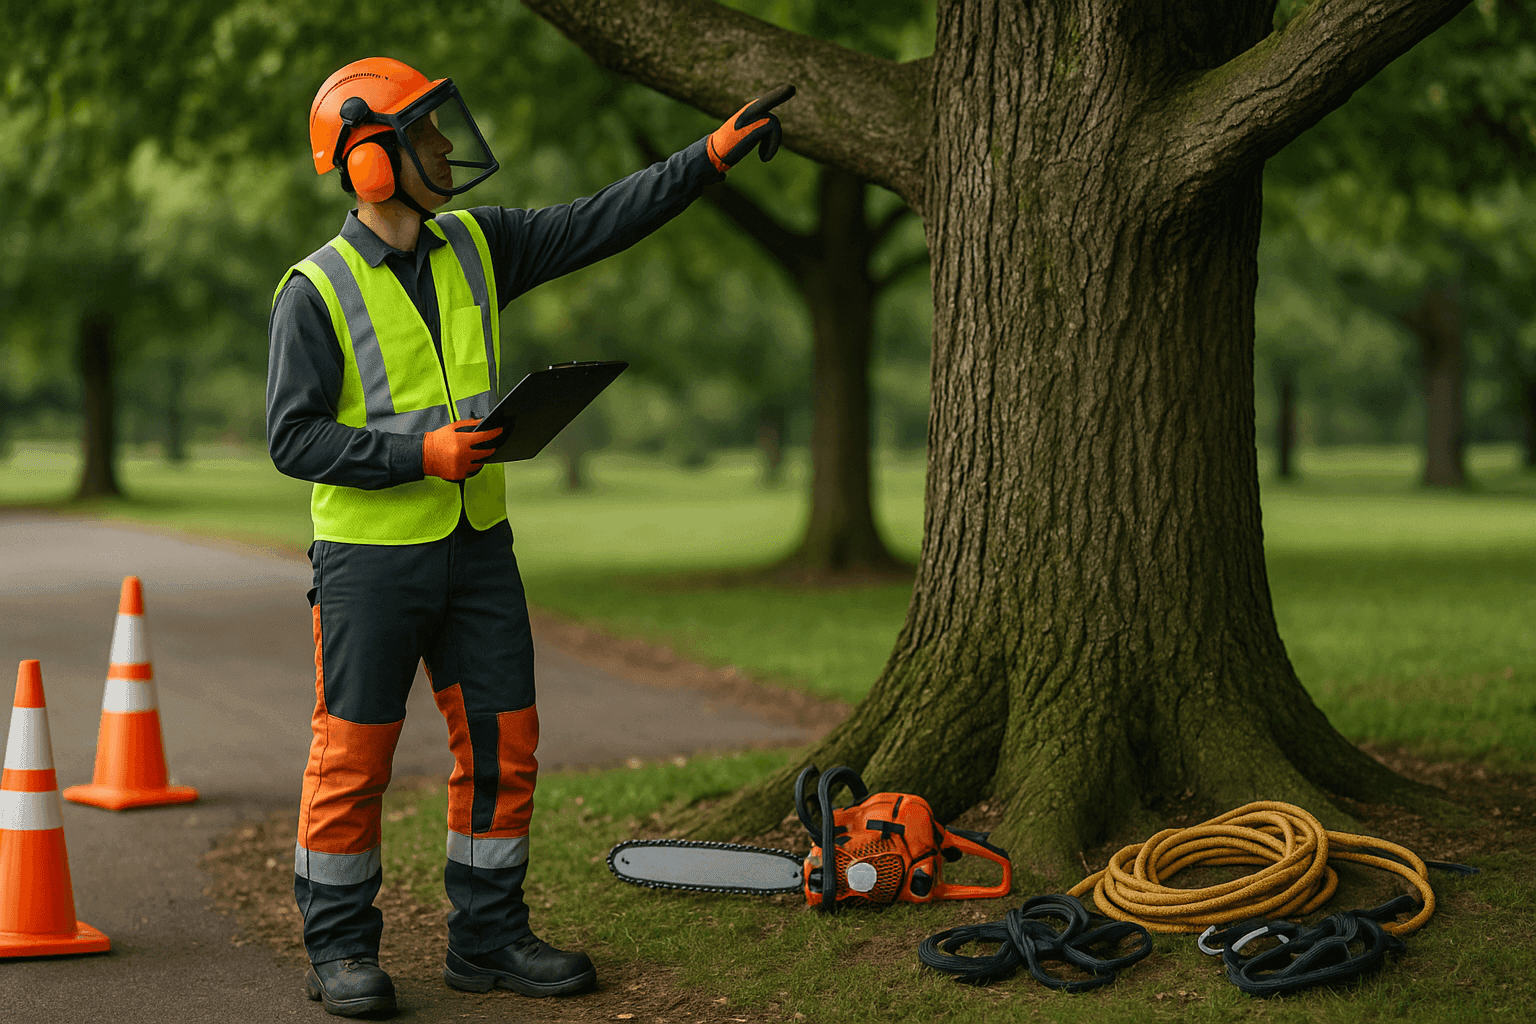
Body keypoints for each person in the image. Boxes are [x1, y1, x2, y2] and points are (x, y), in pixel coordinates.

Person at [266, 56, 794, 1018]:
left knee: (507, 746)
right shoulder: (315, 290)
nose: (445, 144)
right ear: (370, 163)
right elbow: (291, 437)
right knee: (352, 758)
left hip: (480, 553)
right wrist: (417, 456)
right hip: (370, 570)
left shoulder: (477, 244)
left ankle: (489, 937)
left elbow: (600, 219)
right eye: (424, 132)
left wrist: (709, 157)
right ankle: (339, 949)